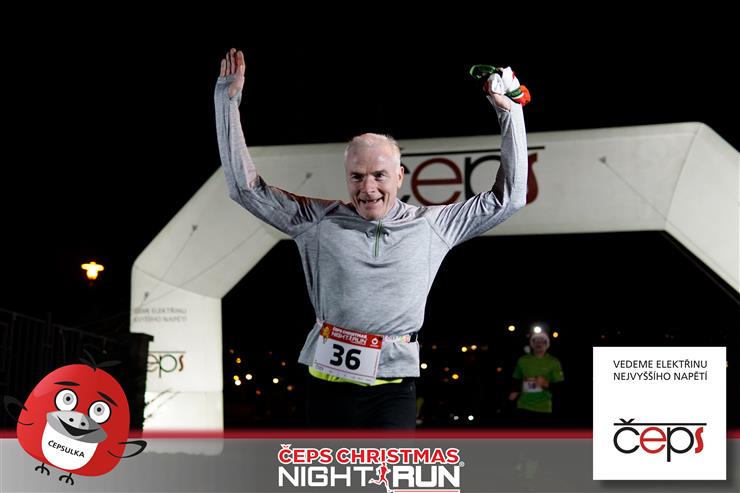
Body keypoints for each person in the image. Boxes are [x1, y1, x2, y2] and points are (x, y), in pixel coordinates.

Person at [215, 48, 528, 428]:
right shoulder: (317, 221)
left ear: (399, 176)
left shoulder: (432, 225)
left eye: (379, 175)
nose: (368, 188)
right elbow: (245, 189)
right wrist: (226, 102)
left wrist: (510, 113)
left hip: (392, 391)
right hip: (327, 387)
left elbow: (509, 198)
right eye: (357, 177)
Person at [509, 331, 564, 426]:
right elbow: (516, 379)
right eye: (536, 341)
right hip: (523, 406)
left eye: (542, 341)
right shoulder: (522, 360)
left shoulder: (554, 362)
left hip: (543, 408)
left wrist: (546, 383)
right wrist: (515, 391)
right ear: (532, 343)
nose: (539, 344)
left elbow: (560, 387)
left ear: (547, 344)